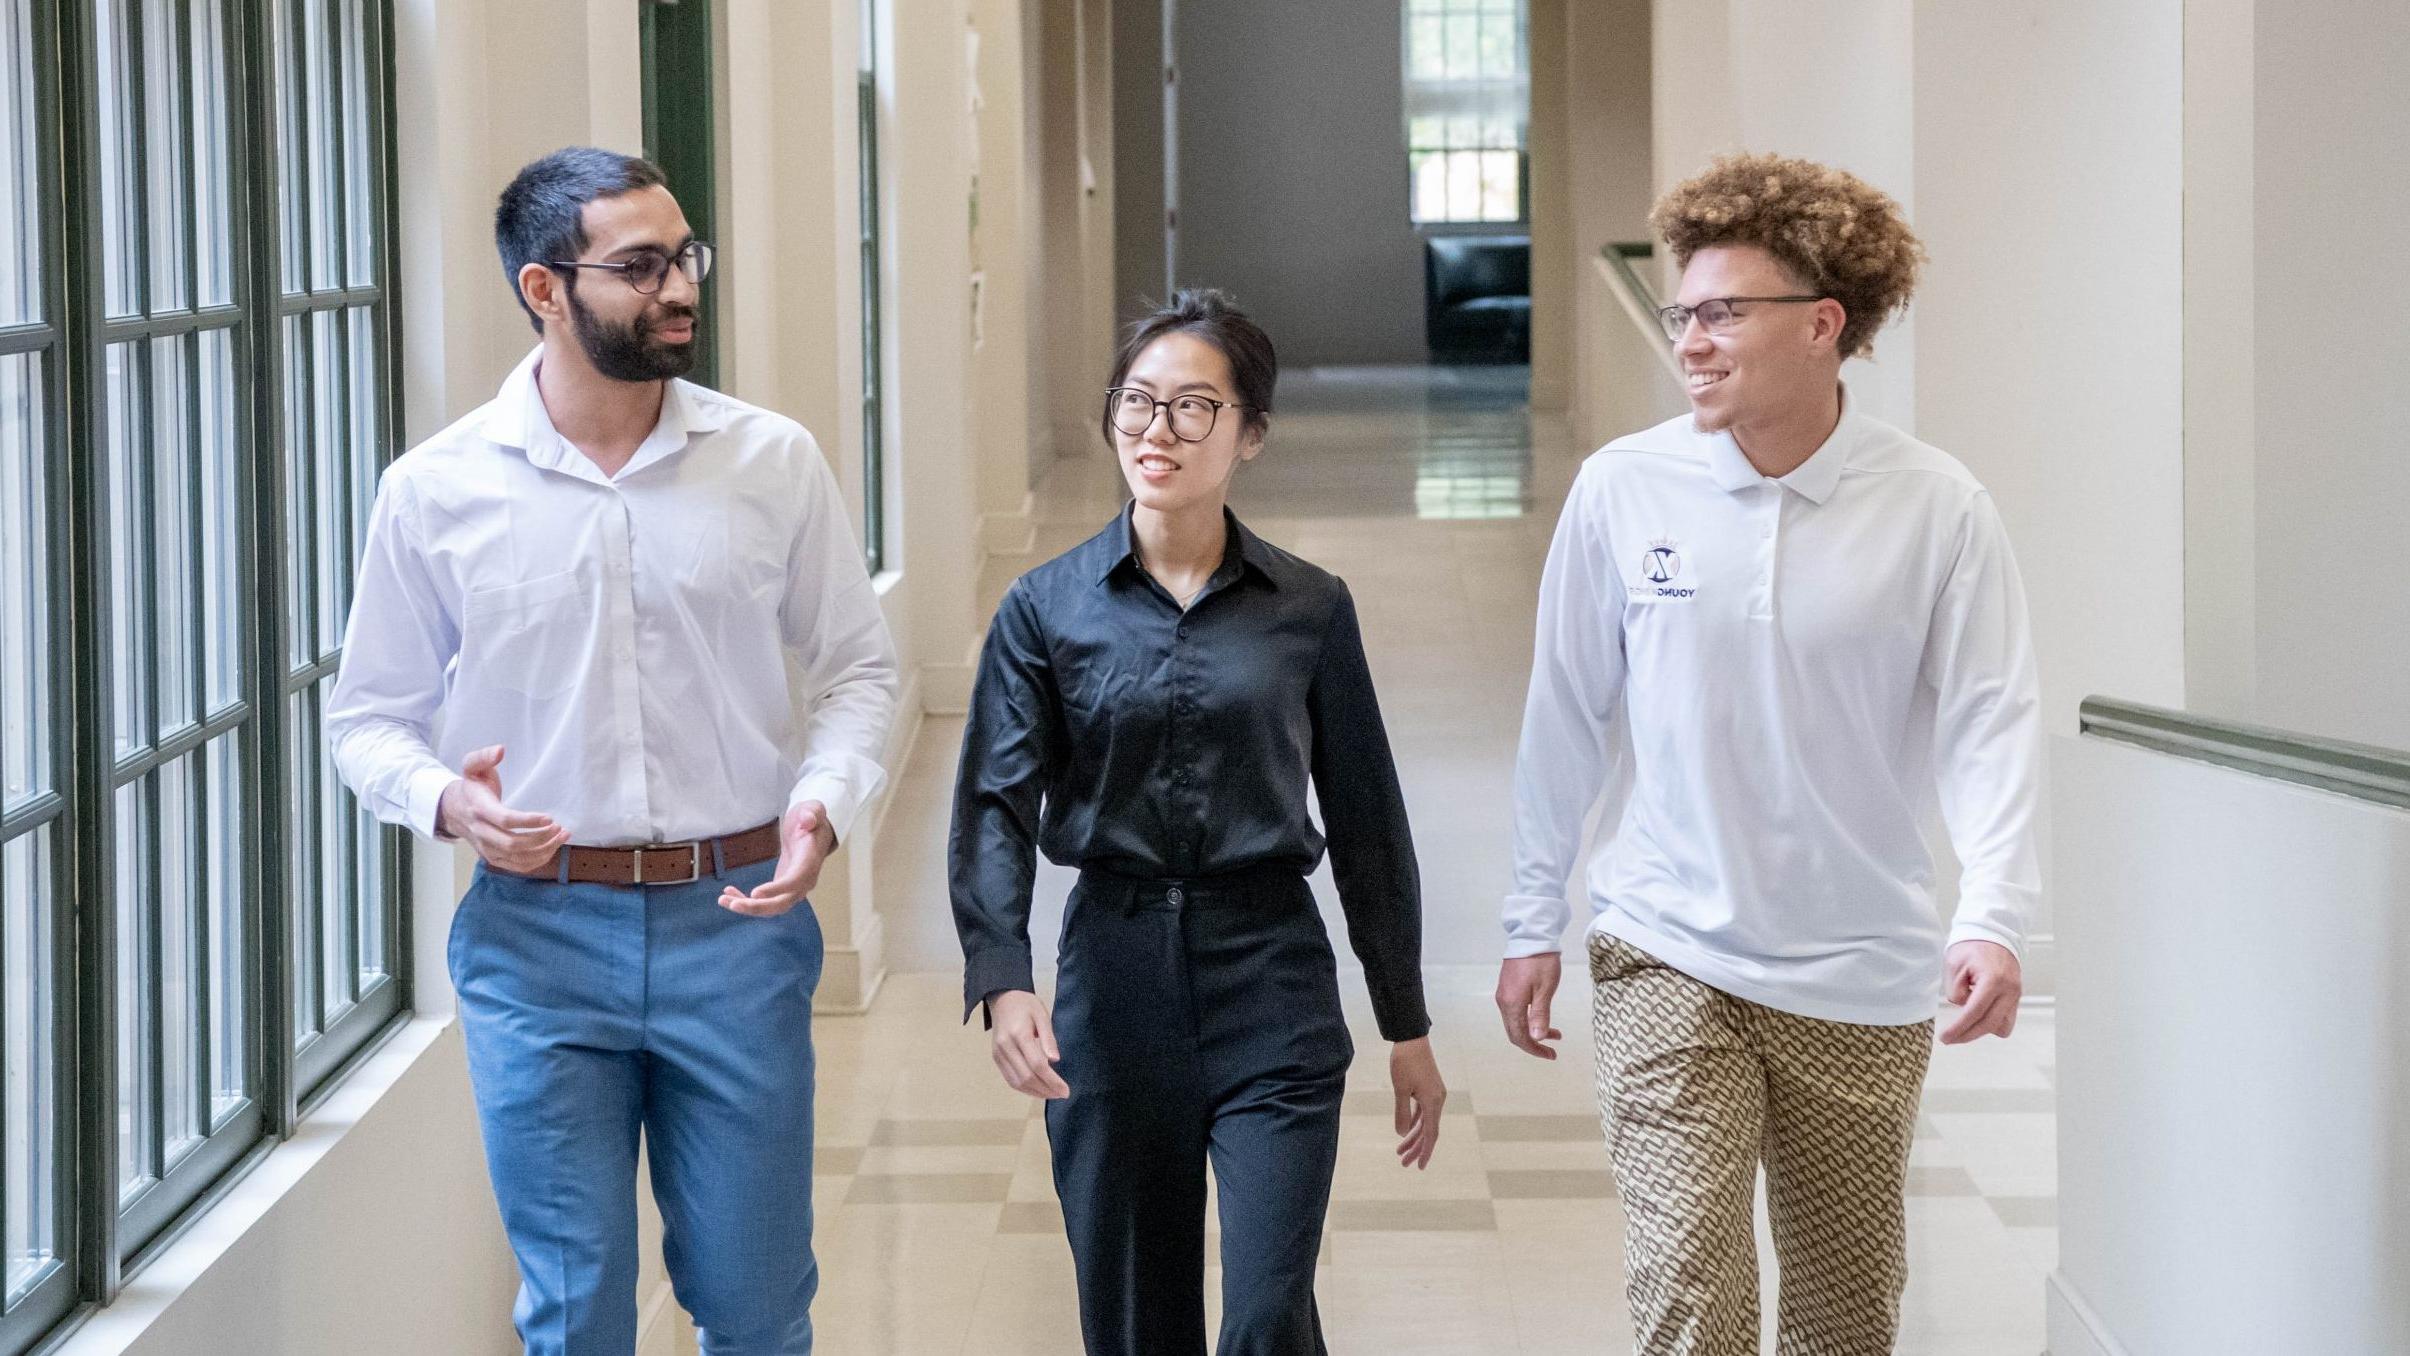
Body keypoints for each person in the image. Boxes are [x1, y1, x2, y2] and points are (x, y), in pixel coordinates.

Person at [327, 147, 898, 1355]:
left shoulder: (771, 461)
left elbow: (860, 669)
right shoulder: (434, 491)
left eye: (684, 255)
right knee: (575, 1312)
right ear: (545, 289)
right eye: (640, 267)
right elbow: (365, 718)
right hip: (536, 940)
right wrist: (446, 803)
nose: (680, 286)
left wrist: (824, 800)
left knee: (753, 1304)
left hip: (735, 925)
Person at [1494, 152, 2042, 1354]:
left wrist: (1992, 914)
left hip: (1860, 968)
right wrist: (1532, 915)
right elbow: (1565, 714)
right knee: (1691, 1300)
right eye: (1681, 313)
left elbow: (1987, 724)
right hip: (1665, 946)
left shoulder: (1936, 507)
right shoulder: (1622, 489)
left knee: (1846, 1316)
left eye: (1722, 313)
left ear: (1823, 326)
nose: (1688, 340)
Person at [950, 288, 1448, 1356]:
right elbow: (995, 801)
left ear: (1250, 434)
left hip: (1269, 973)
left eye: (1192, 408)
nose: (1156, 433)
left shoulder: (1308, 607)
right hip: (1113, 977)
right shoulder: (1044, 609)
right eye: (1136, 405)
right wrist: (1002, 977)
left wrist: (1405, 1022)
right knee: (1135, 1320)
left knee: (1268, 1313)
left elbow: (1365, 820)